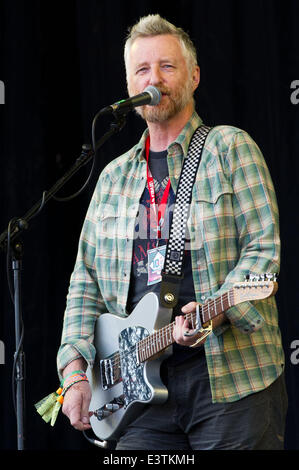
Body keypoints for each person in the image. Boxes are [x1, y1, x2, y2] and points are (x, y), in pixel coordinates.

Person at [56, 14, 288, 450]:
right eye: (142, 70)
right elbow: (83, 285)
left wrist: (213, 313)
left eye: (167, 66)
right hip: (135, 394)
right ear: (129, 86)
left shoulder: (230, 148)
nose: (155, 78)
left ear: (194, 76)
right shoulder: (112, 178)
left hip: (229, 381)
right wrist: (73, 371)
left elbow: (262, 252)